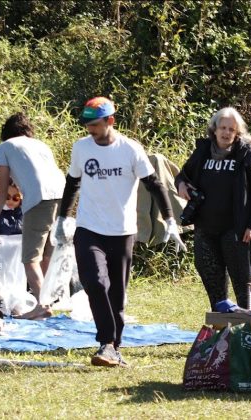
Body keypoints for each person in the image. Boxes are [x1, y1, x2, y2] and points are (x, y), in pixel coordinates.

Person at [56, 97, 186, 367]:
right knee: (94, 282)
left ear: (110, 121)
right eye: (86, 125)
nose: (89, 130)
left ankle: (114, 346)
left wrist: (171, 220)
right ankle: (106, 341)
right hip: (89, 228)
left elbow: (155, 184)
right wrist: (62, 219)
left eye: (94, 125)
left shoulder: (130, 149)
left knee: (117, 293)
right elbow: (72, 183)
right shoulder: (81, 148)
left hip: (122, 231)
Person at [175, 107, 251, 312]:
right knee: (214, 287)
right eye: (223, 128)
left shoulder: (246, 153)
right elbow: (182, 175)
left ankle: (245, 336)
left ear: (237, 133)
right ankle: (222, 336)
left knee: (243, 290)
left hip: (236, 232)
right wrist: (181, 185)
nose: (226, 133)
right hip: (206, 230)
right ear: (214, 129)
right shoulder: (203, 151)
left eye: (231, 129)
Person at [0, 112, 66, 319]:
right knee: (46, 254)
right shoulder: (40, 145)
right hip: (63, 196)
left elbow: (1, 190)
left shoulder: (5, 147)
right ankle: (44, 302)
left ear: (6, 133)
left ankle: (42, 306)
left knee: (30, 258)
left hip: (40, 199)